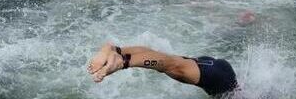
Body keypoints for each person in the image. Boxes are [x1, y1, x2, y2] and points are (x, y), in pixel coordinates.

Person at [87, 42, 238, 96]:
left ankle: (116, 50)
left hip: (214, 67)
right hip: (220, 80)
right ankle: (122, 60)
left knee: (170, 61)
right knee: (171, 64)